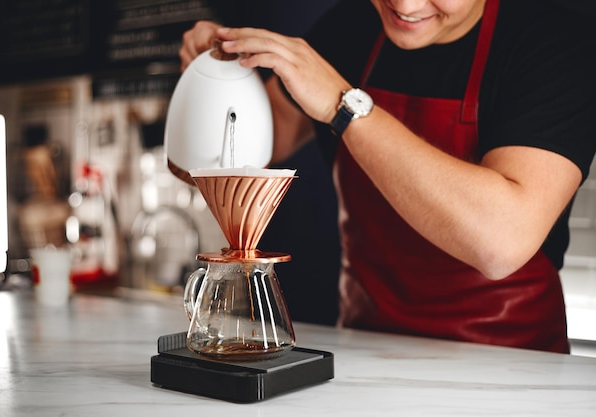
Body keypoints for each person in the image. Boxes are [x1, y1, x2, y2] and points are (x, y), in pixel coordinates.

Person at [179, 0, 596, 353]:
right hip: (365, 348)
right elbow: (228, 161)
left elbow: (501, 242)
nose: (405, 5)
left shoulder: (556, 42)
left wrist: (344, 106)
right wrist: (215, 79)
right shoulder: (352, 26)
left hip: (510, 363)